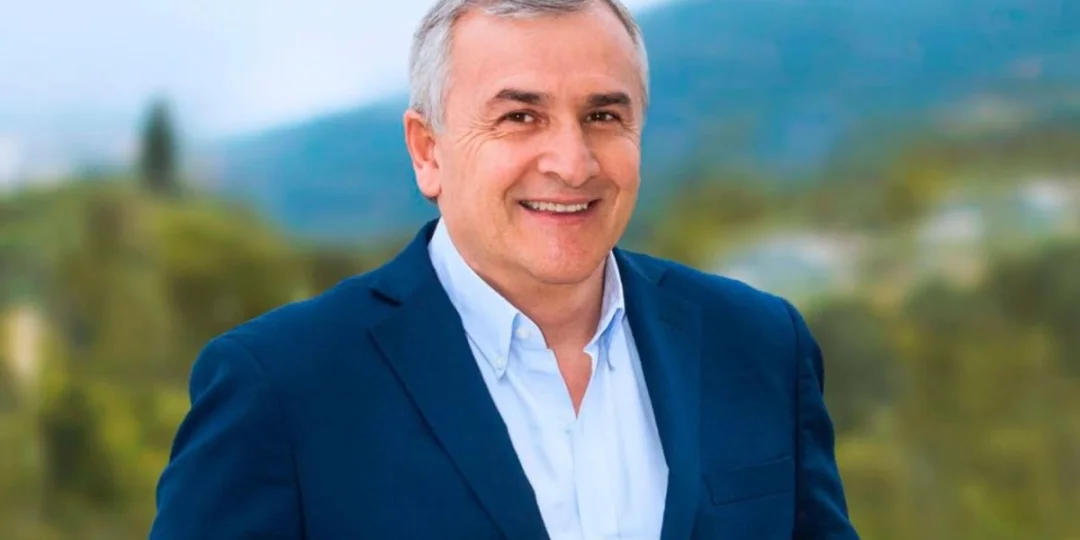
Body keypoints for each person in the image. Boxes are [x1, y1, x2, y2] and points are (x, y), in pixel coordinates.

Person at [149, 0, 860, 538]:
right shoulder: (282, 387)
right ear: (427, 151)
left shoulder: (760, 344)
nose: (572, 163)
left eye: (603, 117)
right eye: (521, 117)